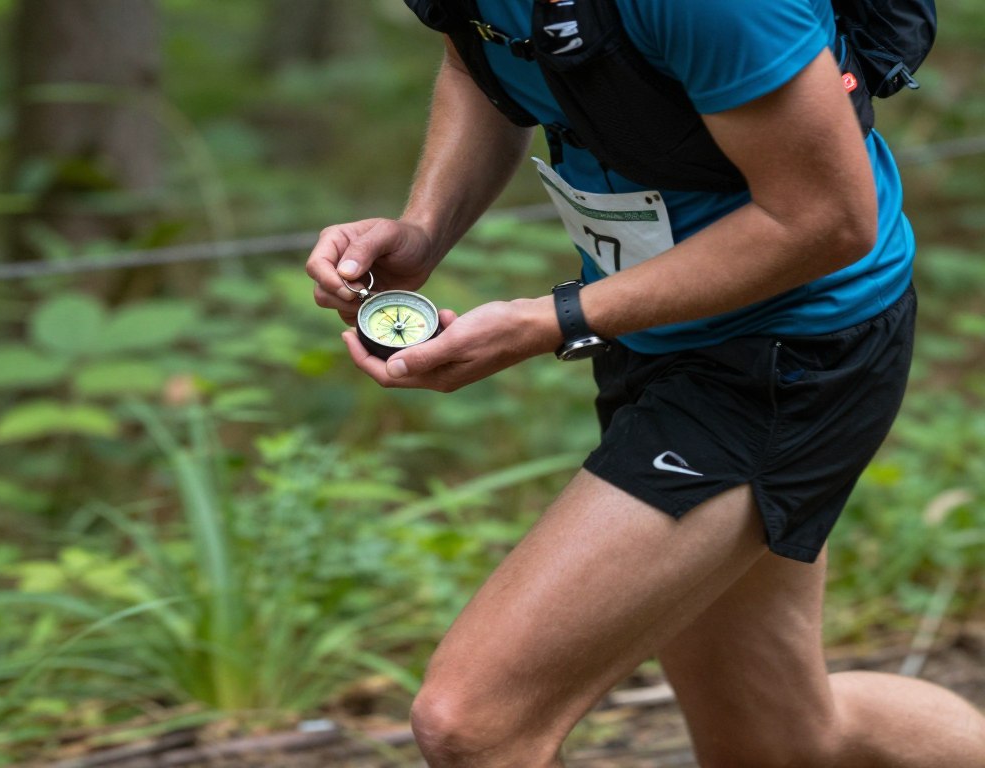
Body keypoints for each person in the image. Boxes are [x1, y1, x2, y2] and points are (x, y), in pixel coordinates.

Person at [307, 1, 985, 765]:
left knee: (474, 720)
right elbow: (481, 65)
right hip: (653, 324)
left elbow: (828, 218)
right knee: (785, 737)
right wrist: (426, 227)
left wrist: (554, 318)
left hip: (792, 351)